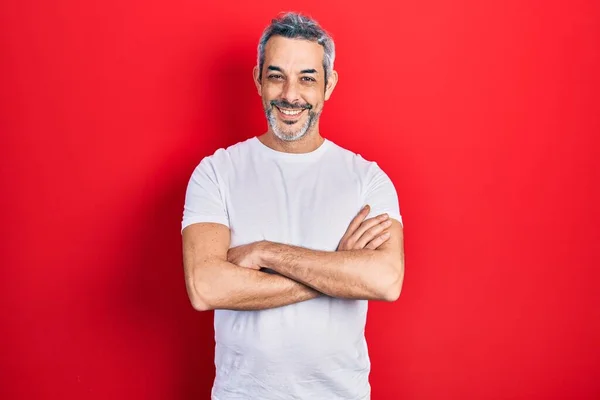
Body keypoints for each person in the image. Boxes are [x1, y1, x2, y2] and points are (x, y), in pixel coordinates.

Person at [181, 11, 404, 400]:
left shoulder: (366, 179)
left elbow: (385, 280)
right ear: (258, 80)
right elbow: (205, 286)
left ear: (328, 85)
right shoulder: (216, 172)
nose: (290, 94)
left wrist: (265, 253)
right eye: (276, 75)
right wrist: (338, 269)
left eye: (307, 78)